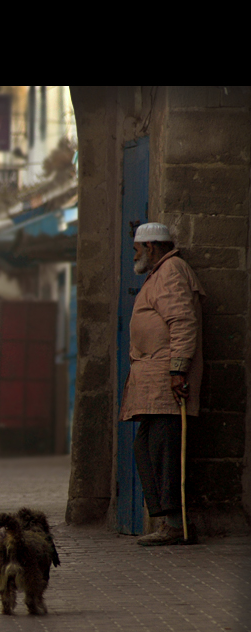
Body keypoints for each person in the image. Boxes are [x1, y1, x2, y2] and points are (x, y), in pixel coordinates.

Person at [119, 222, 205, 545]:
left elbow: (183, 321)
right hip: (156, 383)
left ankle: (176, 525)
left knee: (164, 450)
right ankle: (170, 520)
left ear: (152, 247)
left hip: (167, 382)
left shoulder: (170, 272)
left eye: (137, 249)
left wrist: (178, 370)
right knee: (149, 447)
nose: (136, 256)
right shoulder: (161, 273)